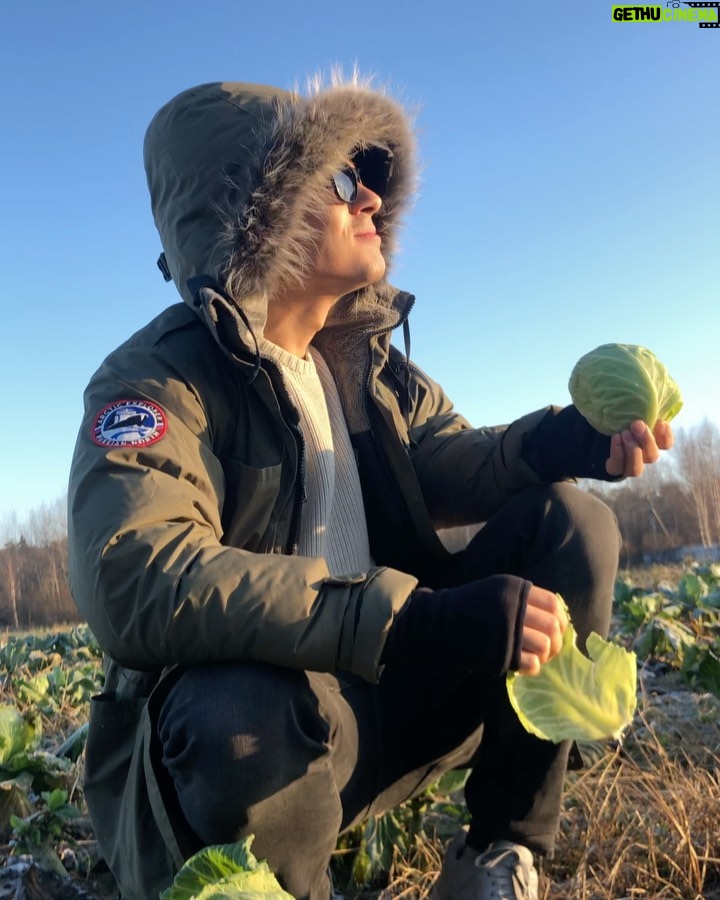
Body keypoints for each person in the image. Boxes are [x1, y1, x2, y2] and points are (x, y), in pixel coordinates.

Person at [67, 76, 673, 900]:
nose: (373, 198)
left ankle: (500, 854)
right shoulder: (158, 383)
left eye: (371, 178)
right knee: (231, 714)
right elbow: (133, 575)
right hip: (284, 738)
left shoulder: (361, 359)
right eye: (343, 180)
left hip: (399, 699)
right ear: (259, 214)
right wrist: (406, 618)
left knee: (571, 524)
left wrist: (561, 441)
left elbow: (451, 459)